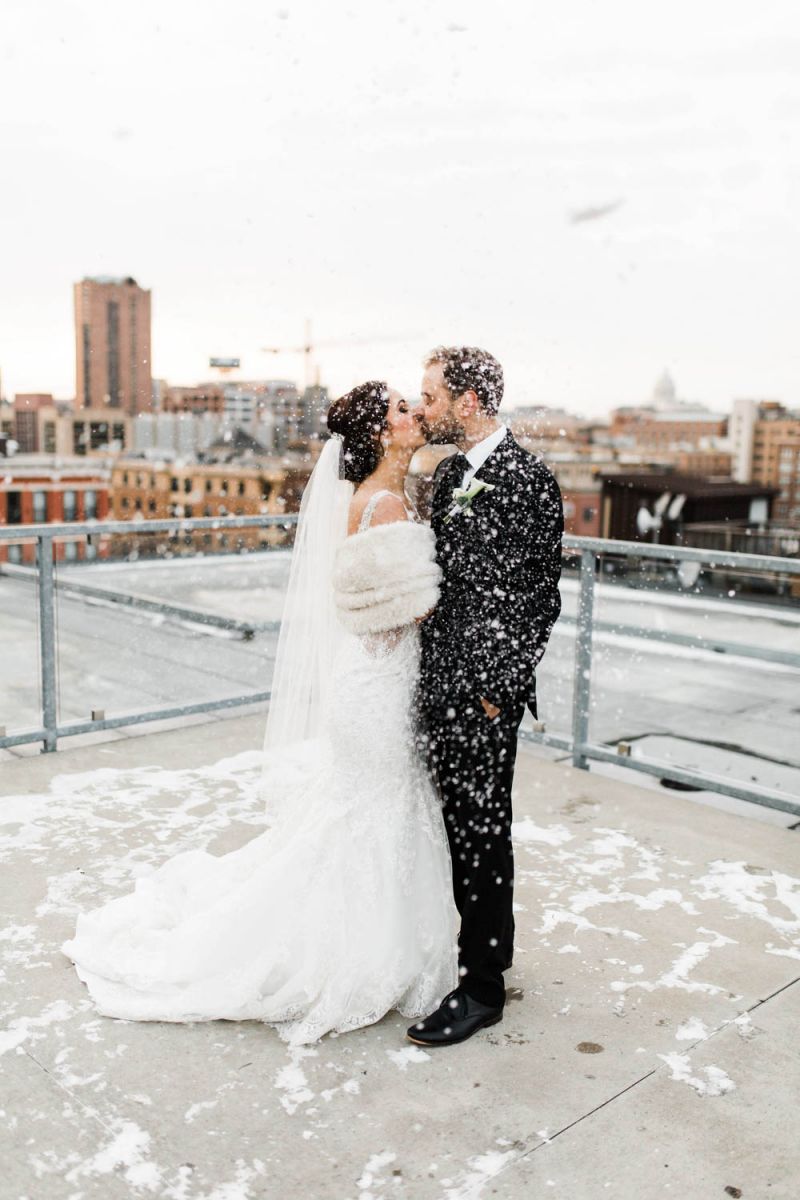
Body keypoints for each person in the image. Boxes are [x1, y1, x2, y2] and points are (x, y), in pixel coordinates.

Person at [61, 382, 458, 1046]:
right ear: (379, 434)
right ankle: (357, 952)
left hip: (371, 685)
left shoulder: (383, 498)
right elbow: (408, 612)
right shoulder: (384, 505)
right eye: (398, 409)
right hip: (380, 691)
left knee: (367, 814)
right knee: (377, 817)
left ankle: (378, 939)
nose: (413, 414)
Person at [409, 346, 563, 1047]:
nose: (425, 409)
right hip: (435, 685)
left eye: (433, 396)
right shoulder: (446, 478)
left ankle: (482, 988)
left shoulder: (530, 479)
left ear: (469, 401)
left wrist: (497, 694)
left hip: (483, 700)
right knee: (451, 832)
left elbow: (537, 601)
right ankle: (461, 956)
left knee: (481, 839)